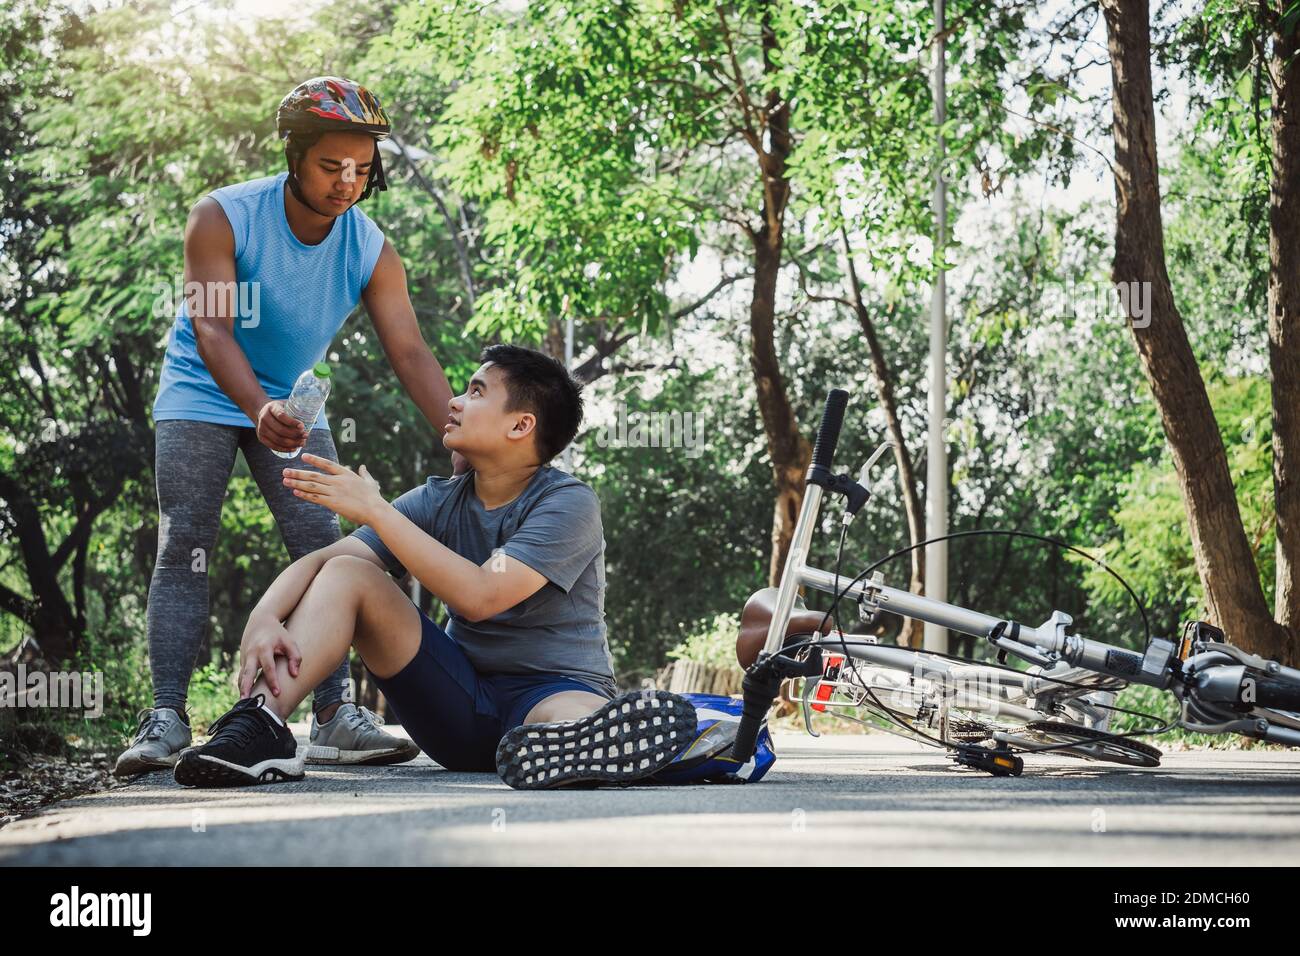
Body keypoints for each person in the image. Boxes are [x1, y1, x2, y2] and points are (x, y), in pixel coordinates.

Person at [115, 77, 457, 776]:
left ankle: (332, 715)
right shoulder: (222, 216)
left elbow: (411, 352)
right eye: (332, 166)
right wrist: (255, 409)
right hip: (201, 390)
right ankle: (167, 717)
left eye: (362, 169)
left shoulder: (369, 247)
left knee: (329, 547)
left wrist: (459, 438)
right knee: (186, 541)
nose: (347, 183)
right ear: (295, 157)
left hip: (293, 401)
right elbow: (211, 326)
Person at [173, 345, 697, 790]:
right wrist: (263, 616)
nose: (453, 400)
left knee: (564, 718)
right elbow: (323, 564)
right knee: (348, 574)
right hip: (457, 703)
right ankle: (258, 727)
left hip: (552, 689)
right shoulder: (437, 500)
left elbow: (481, 595)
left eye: (475, 392)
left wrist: (375, 508)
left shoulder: (568, 503)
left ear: (521, 424)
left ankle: (587, 745)